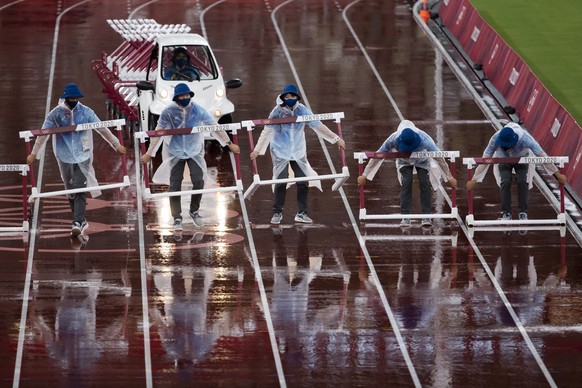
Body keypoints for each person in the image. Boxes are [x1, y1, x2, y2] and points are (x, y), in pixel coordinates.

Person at [26, 83, 126, 237]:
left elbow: (102, 128)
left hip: (83, 156)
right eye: (71, 97)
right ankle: (80, 219)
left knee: (79, 187)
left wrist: (116, 144)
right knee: (70, 190)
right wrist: (34, 153)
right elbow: (43, 133)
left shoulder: (86, 112)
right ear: (66, 97)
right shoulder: (55, 114)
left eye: (76, 98)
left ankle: (77, 222)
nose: (73, 99)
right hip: (64, 157)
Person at [140, 83, 240, 230]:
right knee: (174, 186)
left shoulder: (197, 110)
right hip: (176, 152)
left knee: (199, 181)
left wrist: (228, 143)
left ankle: (194, 211)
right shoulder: (168, 112)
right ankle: (177, 217)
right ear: (176, 97)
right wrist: (150, 153)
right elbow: (158, 132)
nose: (185, 98)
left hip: (194, 151)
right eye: (182, 96)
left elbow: (214, 126)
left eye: (187, 95)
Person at [250, 84, 346, 225]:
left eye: (292, 96)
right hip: (280, 151)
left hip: (298, 151)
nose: (290, 99)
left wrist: (336, 138)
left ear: (297, 97)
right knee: (281, 180)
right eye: (287, 97)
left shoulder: (302, 110)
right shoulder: (276, 112)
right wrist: (258, 149)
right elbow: (267, 130)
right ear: (283, 98)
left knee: (303, 181)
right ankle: (277, 212)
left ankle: (302, 213)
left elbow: (318, 125)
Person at [357, 120, 457, 227]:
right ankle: (405, 216)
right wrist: (364, 174)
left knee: (424, 182)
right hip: (404, 161)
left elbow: (440, 158)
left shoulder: (425, 140)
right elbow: (377, 156)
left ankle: (426, 215)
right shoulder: (393, 139)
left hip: (422, 160)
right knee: (406, 182)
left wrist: (449, 176)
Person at [466, 123, 567, 220]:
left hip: (522, 158)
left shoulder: (526, 139)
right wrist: (474, 179)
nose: (508, 147)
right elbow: (485, 160)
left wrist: (556, 174)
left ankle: (523, 212)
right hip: (503, 160)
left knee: (522, 181)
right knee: (505, 181)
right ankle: (506, 213)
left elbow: (542, 156)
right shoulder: (495, 139)